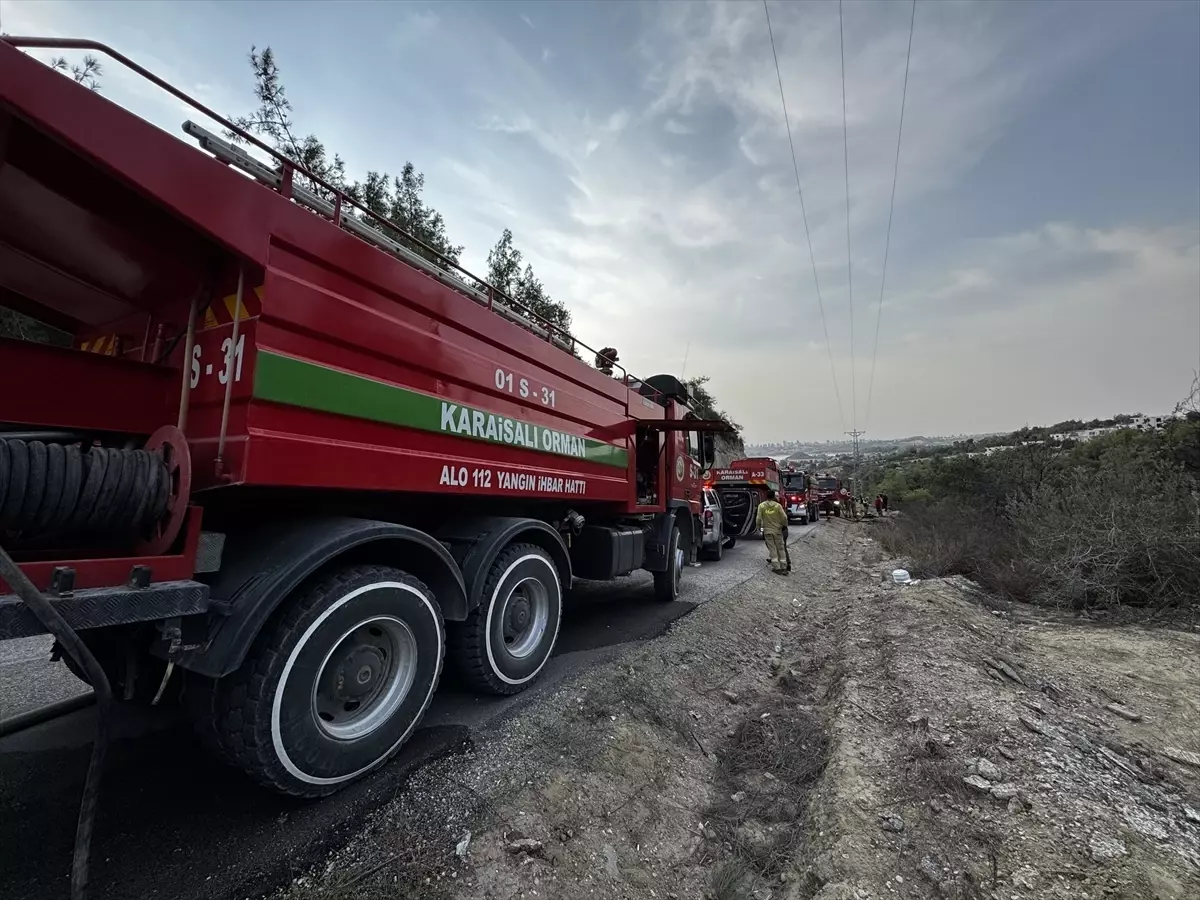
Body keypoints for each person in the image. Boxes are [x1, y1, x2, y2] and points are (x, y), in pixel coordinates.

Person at [756, 489, 789, 575]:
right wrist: (784, 525)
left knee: (772, 549)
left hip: (768, 531)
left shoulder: (761, 506)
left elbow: (758, 518)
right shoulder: (778, 506)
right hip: (778, 531)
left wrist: (759, 527)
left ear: (766, 496)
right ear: (774, 496)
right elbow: (784, 517)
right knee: (781, 548)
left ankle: (776, 567)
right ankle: (784, 568)